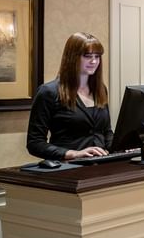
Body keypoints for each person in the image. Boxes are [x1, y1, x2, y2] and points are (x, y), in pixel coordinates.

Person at [26, 32, 112, 160]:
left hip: (101, 167)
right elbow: (34, 143)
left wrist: (125, 147)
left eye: (97, 56)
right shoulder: (48, 92)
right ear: (72, 57)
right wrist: (73, 154)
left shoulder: (101, 89)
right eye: (87, 56)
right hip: (67, 169)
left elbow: (106, 132)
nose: (94, 61)